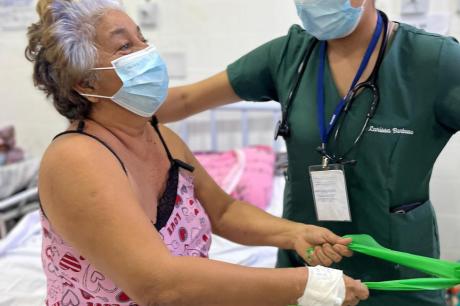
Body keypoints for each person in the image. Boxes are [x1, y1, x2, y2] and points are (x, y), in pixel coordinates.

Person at [26, 0, 370, 305]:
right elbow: (159, 286)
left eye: (142, 37)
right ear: (85, 83)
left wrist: (292, 233)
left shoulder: (161, 138)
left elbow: (223, 211)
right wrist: (301, 285)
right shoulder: (76, 160)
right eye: (125, 46)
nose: (147, 51)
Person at [155, 0, 460, 305]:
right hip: (306, 261)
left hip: (400, 269)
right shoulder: (290, 56)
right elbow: (184, 99)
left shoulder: (434, 61)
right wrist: (116, 106)